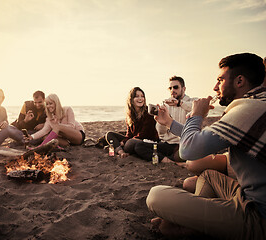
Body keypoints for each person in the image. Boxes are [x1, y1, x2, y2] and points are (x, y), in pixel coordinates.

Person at [146, 53, 266, 239]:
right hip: (245, 195)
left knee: (155, 195)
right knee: (208, 176)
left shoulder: (250, 109)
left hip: (258, 215)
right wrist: (169, 123)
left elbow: (188, 150)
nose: (215, 87)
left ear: (240, 81)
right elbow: (205, 138)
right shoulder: (256, 103)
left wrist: (197, 115)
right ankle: (199, 220)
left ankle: (193, 224)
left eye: (220, 80)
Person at [134, 76, 195, 162]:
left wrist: (179, 103)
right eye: (170, 88)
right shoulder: (166, 105)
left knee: (183, 154)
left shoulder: (193, 101)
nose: (172, 90)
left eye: (175, 87)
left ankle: (170, 158)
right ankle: (167, 160)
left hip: (184, 144)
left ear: (184, 89)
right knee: (139, 146)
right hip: (168, 145)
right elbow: (161, 134)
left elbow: (197, 108)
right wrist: (161, 120)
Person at [105, 87, 159, 158]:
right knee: (109, 134)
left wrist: (124, 142)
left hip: (145, 141)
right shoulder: (130, 115)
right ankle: (121, 152)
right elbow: (129, 134)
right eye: (137, 96)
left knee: (130, 142)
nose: (140, 98)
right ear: (131, 99)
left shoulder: (148, 112)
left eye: (142, 96)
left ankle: (117, 147)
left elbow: (144, 134)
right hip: (133, 139)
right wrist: (125, 140)